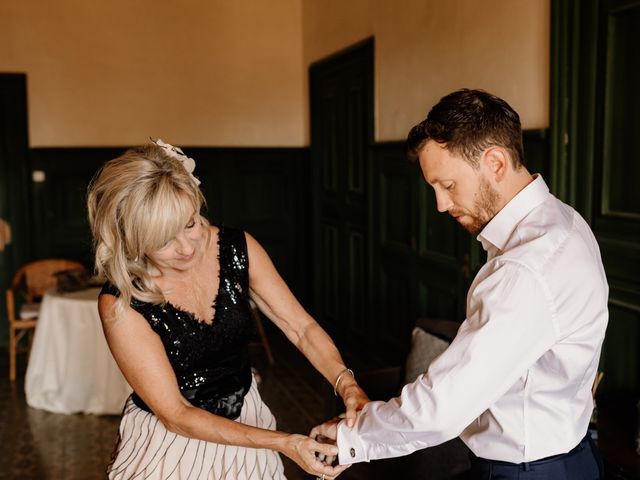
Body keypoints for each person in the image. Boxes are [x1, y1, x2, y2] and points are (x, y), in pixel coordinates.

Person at [311, 89, 608, 479]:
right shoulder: (563, 221)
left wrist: (353, 437)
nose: (440, 204)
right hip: (571, 453)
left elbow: (442, 407)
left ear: (496, 163)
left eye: (448, 185)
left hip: (527, 470)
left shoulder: (526, 269)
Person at [87, 139, 368, 479]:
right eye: (163, 240)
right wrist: (286, 443)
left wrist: (346, 385)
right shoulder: (121, 300)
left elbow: (301, 328)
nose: (186, 247)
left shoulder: (237, 248)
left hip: (249, 418)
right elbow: (176, 414)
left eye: (189, 224)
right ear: (132, 238)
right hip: (172, 442)